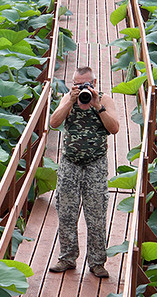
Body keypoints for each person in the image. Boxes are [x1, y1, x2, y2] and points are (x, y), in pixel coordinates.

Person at [48, 66, 119, 277]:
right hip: (70, 162)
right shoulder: (68, 100)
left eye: (86, 84)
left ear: (94, 84)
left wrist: (98, 106)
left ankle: (97, 262)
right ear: (73, 84)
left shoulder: (104, 101)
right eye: (78, 84)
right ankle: (67, 258)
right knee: (66, 211)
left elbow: (114, 128)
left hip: (95, 163)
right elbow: (53, 123)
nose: (82, 88)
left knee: (96, 213)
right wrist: (70, 101)